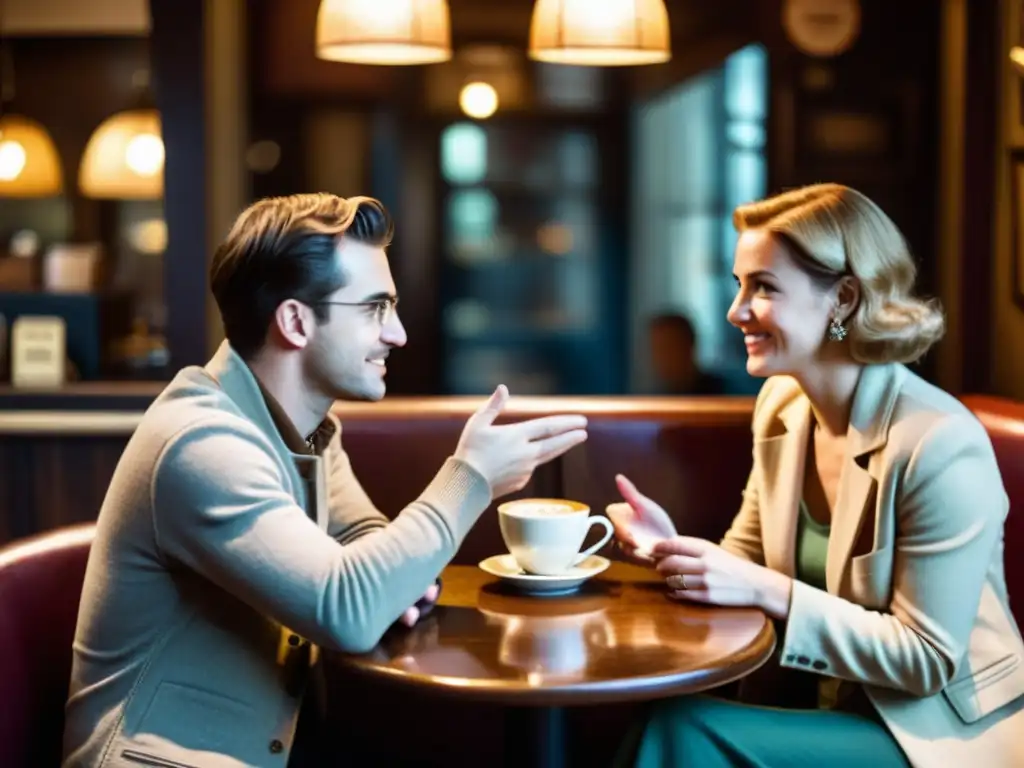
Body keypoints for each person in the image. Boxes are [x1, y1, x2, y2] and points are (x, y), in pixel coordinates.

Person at [61, 193, 588, 767]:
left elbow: (363, 532)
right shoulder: (200, 443)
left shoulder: (305, 430)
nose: (399, 334)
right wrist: (471, 479)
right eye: (375, 309)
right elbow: (348, 608)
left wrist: (396, 579)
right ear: (295, 321)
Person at [608, 183, 1024, 767]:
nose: (735, 311)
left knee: (684, 731)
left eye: (764, 288)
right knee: (668, 722)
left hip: (935, 735)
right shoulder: (783, 406)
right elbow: (745, 562)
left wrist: (766, 589)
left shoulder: (940, 442)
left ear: (844, 299)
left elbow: (927, 659)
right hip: (821, 710)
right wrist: (670, 549)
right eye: (738, 285)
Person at [647, 312, 725, 395]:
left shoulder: (722, 393)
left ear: (688, 346)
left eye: (669, 347)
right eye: (657, 349)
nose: (663, 357)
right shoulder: (652, 399)